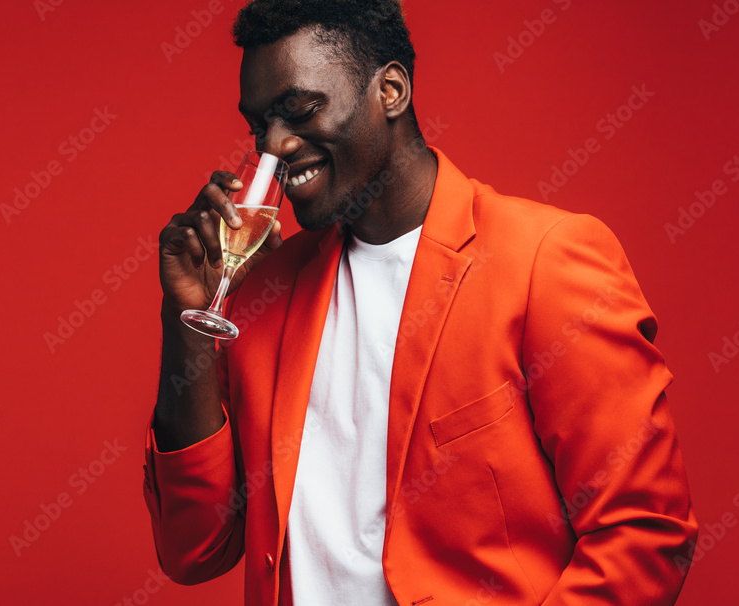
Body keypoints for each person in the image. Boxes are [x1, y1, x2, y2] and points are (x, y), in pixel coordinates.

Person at [144, 1, 698, 604]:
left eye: (299, 110)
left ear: (390, 89)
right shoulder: (266, 289)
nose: (274, 147)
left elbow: (645, 530)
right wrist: (188, 321)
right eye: (258, 127)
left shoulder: (545, 260)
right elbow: (193, 548)